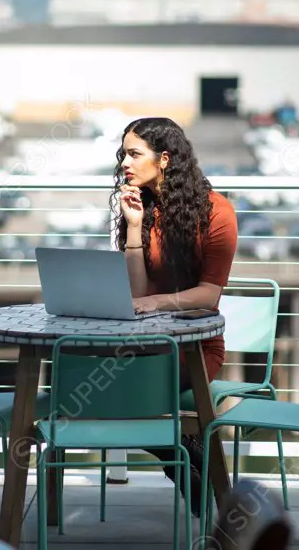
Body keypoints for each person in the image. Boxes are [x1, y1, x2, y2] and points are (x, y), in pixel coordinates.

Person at [109, 116, 238, 517]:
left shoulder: (217, 213)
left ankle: (182, 454)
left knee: (102, 394)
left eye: (134, 154)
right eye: (124, 154)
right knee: (80, 382)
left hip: (193, 350)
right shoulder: (143, 208)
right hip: (145, 344)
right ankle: (180, 453)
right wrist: (133, 230)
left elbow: (209, 294)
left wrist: (156, 303)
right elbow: (135, 293)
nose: (125, 164)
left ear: (164, 159)